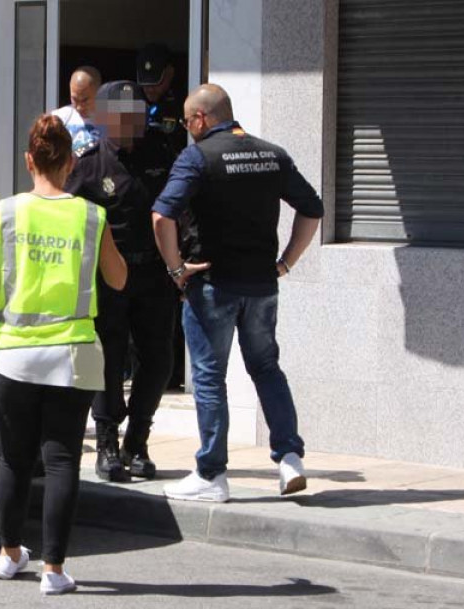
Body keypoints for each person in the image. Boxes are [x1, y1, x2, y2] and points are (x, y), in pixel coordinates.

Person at [0, 114, 126, 595]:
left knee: (13, 459)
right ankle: (54, 570)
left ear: (29, 161)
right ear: (71, 163)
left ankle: (10, 554)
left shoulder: (5, 212)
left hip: (15, 354)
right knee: (63, 460)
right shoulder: (91, 216)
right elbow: (119, 278)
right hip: (72, 355)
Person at [151, 83, 324, 502]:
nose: (189, 128)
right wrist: (286, 263)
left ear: (202, 119)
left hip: (213, 284)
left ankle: (212, 474)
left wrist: (176, 269)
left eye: (190, 121)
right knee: (267, 368)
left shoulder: (197, 157)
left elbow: (161, 216)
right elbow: (313, 207)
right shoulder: (272, 154)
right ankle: (289, 459)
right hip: (262, 284)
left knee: (210, 378)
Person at [64, 81, 177, 483]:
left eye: (137, 114)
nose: (133, 122)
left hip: (154, 276)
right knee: (109, 359)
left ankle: (138, 440)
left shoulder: (163, 156)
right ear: (106, 120)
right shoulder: (88, 163)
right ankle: (108, 442)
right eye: (123, 116)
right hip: (109, 276)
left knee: (159, 360)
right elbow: (67, 216)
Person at [136, 43, 184, 155]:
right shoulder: (134, 98)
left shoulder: (182, 103)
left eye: (155, 83)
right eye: (145, 83)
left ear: (170, 73)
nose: (149, 89)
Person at [53, 66, 102, 154]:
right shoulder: (59, 118)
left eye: (85, 100)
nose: (79, 107)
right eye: (74, 99)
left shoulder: (111, 120)